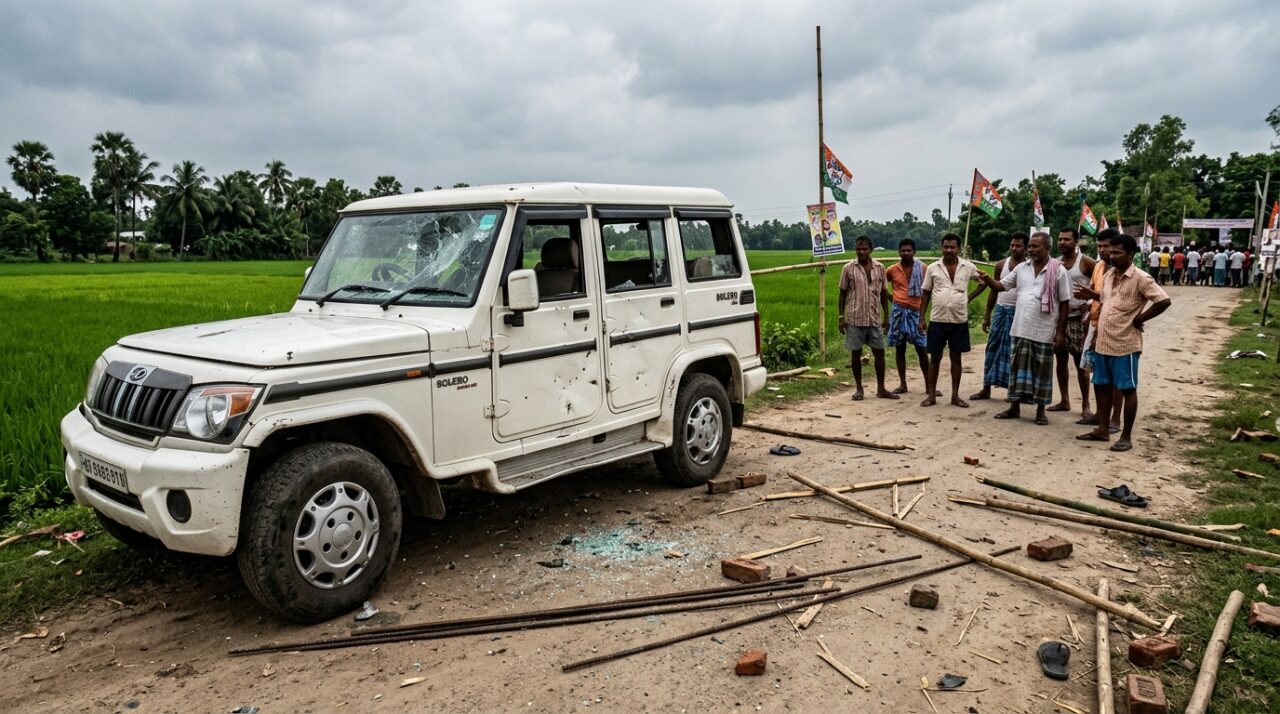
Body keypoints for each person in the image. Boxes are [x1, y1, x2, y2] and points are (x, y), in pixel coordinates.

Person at [1075, 233, 1172, 451]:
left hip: (1125, 344)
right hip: (1103, 342)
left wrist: (1140, 318)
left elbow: (1163, 300)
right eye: (1110, 252)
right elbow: (1108, 299)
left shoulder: (1141, 278)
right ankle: (1102, 428)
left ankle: (1126, 436)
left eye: (1117, 253)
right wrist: (1091, 294)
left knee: (1127, 389)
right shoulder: (1109, 275)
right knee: (1101, 385)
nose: (1112, 256)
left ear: (1131, 254)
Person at [978, 232, 1071, 425]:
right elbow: (1001, 286)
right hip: (1020, 327)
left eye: (1035, 246)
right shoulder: (1022, 268)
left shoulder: (1058, 271)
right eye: (1030, 246)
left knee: (1042, 371)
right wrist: (986, 278)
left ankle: (1040, 411)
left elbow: (1064, 302)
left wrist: (1060, 332)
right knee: (1017, 369)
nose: (1031, 250)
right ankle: (1014, 407)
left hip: (1044, 330)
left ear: (1047, 248)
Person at [918, 233, 987, 408]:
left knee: (956, 358)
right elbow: (926, 293)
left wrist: (968, 298)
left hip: (959, 320)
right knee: (935, 358)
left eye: (952, 247)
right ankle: (931, 395)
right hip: (937, 320)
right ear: (942, 248)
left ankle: (955, 396)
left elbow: (984, 281)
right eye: (946, 247)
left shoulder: (968, 266)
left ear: (958, 248)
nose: (949, 250)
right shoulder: (933, 268)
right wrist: (921, 318)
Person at [970, 233, 1027, 401]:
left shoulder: (1028, 267)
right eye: (1012, 245)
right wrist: (987, 315)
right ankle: (986, 388)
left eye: (1018, 246)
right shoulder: (1001, 265)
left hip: (1019, 313)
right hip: (1001, 311)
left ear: (1026, 248)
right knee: (992, 348)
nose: (1014, 249)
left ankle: (1014, 391)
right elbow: (994, 290)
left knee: (1014, 351)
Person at [838, 235, 895, 401]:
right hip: (854, 318)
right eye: (858, 249)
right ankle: (859, 388)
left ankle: (881, 388)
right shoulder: (848, 268)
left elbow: (884, 293)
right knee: (855, 354)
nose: (861, 252)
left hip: (874, 318)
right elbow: (842, 294)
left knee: (880, 353)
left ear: (870, 249)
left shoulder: (880, 268)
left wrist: (886, 316)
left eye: (864, 249)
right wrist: (841, 317)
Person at [1077, 229, 1121, 433]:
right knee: (1096, 372)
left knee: (1116, 376)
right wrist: (1088, 303)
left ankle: (1115, 419)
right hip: (1095, 324)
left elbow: (1117, 300)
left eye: (1107, 246)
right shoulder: (1099, 267)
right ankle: (1099, 414)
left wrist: (1093, 296)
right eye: (1100, 246)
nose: (1103, 250)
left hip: (1114, 328)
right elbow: (1094, 292)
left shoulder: (1122, 270)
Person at [1048, 228, 1095, 420]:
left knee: (1080, 363)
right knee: (1060, 360)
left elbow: (1101, 284)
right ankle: (1064, 400)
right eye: (1060, 239)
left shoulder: (1086, 262)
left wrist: (1091, 303)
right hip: (1059, 319)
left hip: (1078, 318)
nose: (1062, 242)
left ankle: (1086, 405)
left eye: (1067, 239)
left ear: (1076, 242)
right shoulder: (1055, 263)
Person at [884, 238, 936, 396]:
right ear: (899, 252)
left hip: (916, 312)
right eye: (903, 250)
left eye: (909, 250)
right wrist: (893, 299)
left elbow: (928, 290)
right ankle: (903, 384)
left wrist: (923, 316)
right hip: (898, 311)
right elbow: (882, 287)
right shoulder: (892, 270)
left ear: (914, 252)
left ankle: (929, 386)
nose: (906, 253)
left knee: (922, 349)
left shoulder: (923, 268)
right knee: (900, 349)